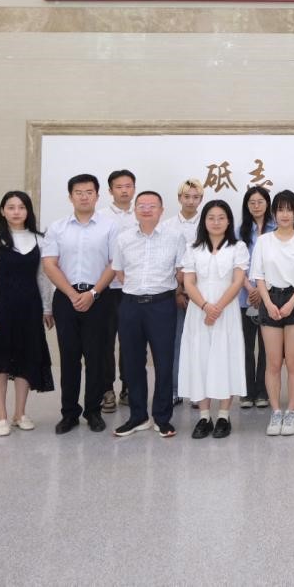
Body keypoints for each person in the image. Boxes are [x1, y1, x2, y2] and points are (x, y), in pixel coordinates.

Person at [0, 191, 55, 436]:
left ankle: (20, 413)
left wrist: (47, 308)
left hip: (30, 309)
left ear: (28, 211)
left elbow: (43, 277)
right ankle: (1, 417)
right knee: (0, 362)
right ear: (2, 211)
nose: (16, 212)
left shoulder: (39, 239)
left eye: (21, 207)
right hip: (1, 309)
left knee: (26, 360)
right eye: (11, 207)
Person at [40, 174, 118, 434]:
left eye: (89, 192)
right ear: (70, 197)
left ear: (97, 195)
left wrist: (93, 293)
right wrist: (73, 294)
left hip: (99, 297)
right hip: (66, 298)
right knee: (69, 357)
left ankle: (93, 411)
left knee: (96, 357)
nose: (84, 197)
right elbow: (49, 264)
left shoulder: (110, 227)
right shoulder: (57, 228)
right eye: (78, 192)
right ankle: (69, 413)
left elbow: (114, 264)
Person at [112, 190, 185, 438]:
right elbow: (119, 271)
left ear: (161, 210)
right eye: (141, 205)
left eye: (152, 206)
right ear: (135, 210)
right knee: (132, 362)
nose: (146, 209)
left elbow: (181, 271)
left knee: (164, 361)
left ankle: (162, 418)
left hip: (161, 305)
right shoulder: (123, 238)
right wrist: (137, 290)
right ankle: (138, 416)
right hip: (130, 305)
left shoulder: (175, 237)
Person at [251, 190, 294, 436]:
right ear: (274, 213)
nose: (285, 214)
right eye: (280, 209)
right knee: (272, 362)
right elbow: (258, 276)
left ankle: (291, 411)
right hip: (270, 300)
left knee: (293, 361)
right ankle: (276, 411)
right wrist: (268, 303)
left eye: (290, 209)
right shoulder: (264, 241)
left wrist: (291, 303)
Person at [179, 200, 249, 439]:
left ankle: (224, 416)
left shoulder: (237, 247)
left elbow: (237, 282)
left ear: (229, 221)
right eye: (211, 218)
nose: (216, 222)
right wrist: (206, 307)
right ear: (204, 221)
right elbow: (188, 283)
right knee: (200, 359)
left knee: (225, 358)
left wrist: (217, 308)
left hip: (226, 311)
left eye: (221, 217)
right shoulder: (192, 248)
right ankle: (204, 416)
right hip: (198, 311)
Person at [97, 169, 137, 411]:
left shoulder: (142, 214)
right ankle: (106, 390)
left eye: (128, 186)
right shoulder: (100, 217)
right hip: (107, 288)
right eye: (119, 187)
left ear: (134, 188)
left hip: (133, 289)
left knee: (131, 341)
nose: (124, 190)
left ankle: (128, 388)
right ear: (110, 191)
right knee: (105, 341)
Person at [161, 178, 203, 407]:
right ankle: (175, 389)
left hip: (202, 293)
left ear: (201, 199)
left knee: (199, 343)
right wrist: (178, 291)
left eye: (195, 197)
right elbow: (165, 261)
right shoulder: (167, 226)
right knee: (175, 342)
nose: (190, 201)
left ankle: (198, 392)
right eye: (186, 196)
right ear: (179, 198)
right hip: (174, 291)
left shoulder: (207, 223)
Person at [237, 186, 275, 409]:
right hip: (244, 295)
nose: (256, 206)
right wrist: (250, 288)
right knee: (246, 347)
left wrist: (261, 290)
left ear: (267, 203)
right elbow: (235, 264)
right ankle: (246, 392)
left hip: (269, 296)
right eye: (252, 202)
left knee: (267, 347)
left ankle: (262, 391)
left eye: (260, 201)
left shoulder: (276, 229)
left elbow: (278, 263)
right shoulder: (239, 231)